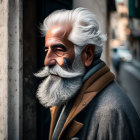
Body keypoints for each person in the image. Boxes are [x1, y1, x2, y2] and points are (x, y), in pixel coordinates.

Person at [35, 8, 140, 140]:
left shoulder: (112, 112)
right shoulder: (69, 93)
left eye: (59, 50)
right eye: (47, 50)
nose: (47, 61)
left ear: (88, 54)